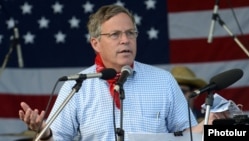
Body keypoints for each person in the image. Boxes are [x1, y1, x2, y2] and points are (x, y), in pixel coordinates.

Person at [18, 4, 229, 141]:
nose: (125, 40)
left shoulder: (163, 81)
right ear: (96, 43)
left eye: (130, 33)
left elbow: (187, 135)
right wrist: (45, 134)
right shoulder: (78, 86)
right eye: (115, 34)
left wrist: (207, 126)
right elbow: (59, 137)